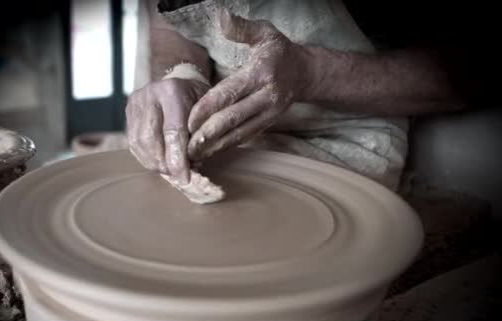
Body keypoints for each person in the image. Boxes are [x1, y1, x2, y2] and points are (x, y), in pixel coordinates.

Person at [125, 0, 490, 191]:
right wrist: (182, 75)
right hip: (226, 135)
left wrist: (309, 73)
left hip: (347, 137)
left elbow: (467, 72)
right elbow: (167, 25)